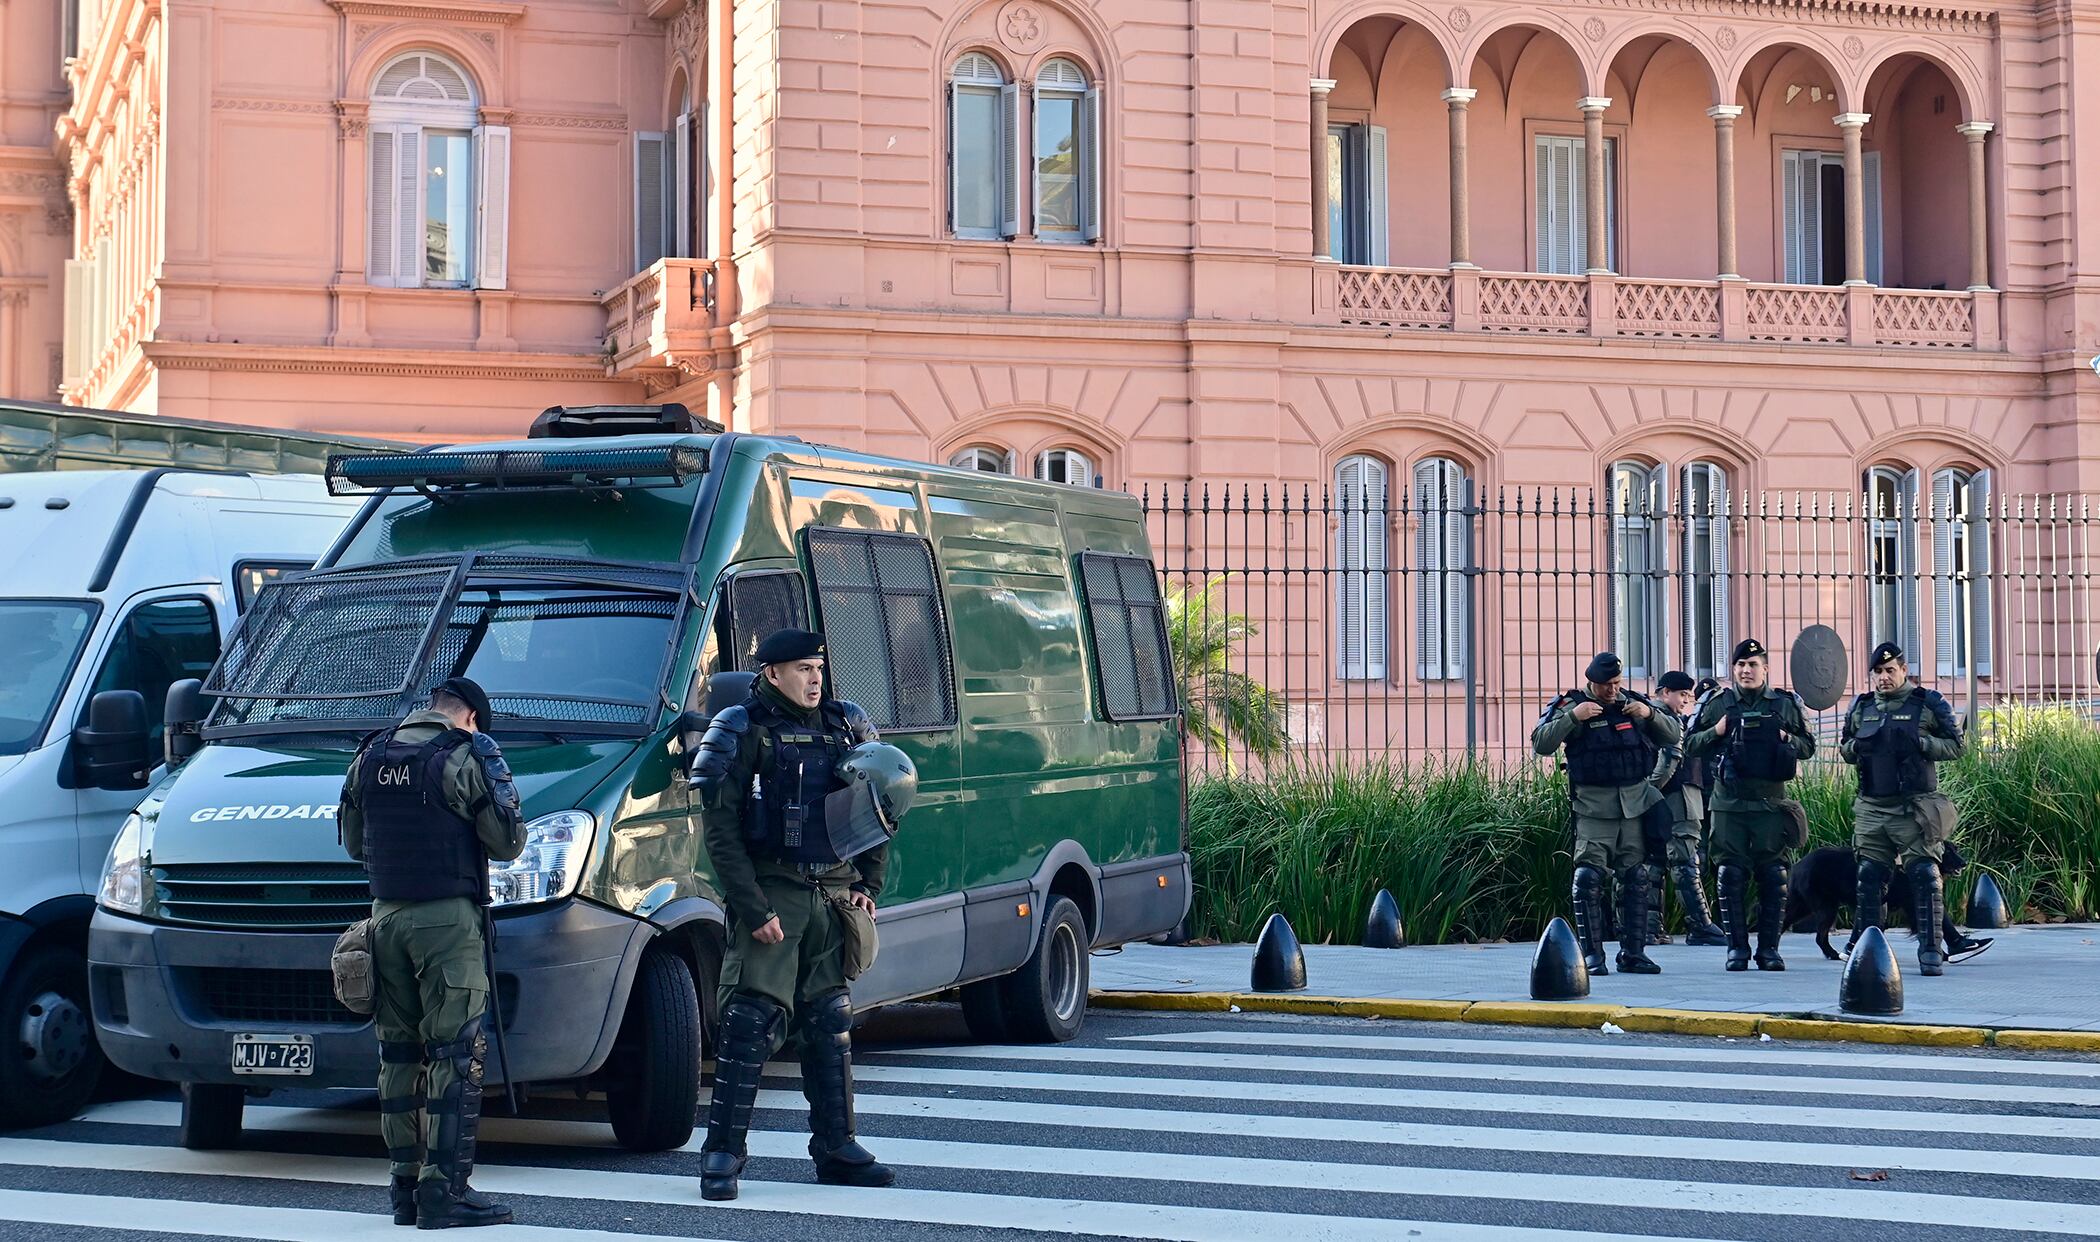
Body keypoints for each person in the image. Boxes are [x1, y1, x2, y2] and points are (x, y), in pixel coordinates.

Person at [687, 629, 896, 1201]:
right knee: (750, 1023)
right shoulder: (741, 726)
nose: (814, 679)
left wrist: (867, 885)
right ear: (772, 672)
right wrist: (753, 908)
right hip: (773, 894)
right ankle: (722, 1154)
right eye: (802, 669)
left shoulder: (844, 726)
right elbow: (722, 833)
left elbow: (881, 803)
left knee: (830, 1021)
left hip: (831, 894)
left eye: (818, 668)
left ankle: (836, 1147)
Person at [340, 677, 525, 1229]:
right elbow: (507, 840)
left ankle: (404, 1191)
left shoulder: (370, 753)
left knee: (398, 1054)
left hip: (385, 917)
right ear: (469, 716)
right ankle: (444, 1192)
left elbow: (353, 843)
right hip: (445, 920)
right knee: (455, 1054)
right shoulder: (464, 754)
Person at [1532, 652, 1681, 976]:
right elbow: (1541, 743)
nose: (1613, 690)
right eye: (1606, 686)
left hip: (1633, 808)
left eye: (1616, 683)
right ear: (1592, 683)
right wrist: (1574, 718)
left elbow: (1673, 735)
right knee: (1588, 878)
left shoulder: (1634, 704)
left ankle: (1633, 953)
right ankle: (1592, 956)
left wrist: (1650, 715)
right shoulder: (1571, 705)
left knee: (1636, 879)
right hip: (1594, 810)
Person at [1685, 639, 1816, 972]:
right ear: (1734, 669)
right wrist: (1716, 731)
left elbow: (1808, 746)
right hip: (1730, 805)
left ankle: (1769, 950)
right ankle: (1737, 949)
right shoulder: (1718, 704)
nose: (1746, 670)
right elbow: (1690, 744)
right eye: (1741, 665)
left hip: (1770, 805)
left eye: (1753, 664)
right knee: (1730, 875)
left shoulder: (1786, 704)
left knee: (1774, 875)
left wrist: (1787, 738)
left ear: (1765, 669)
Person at [1839, 642, 1965, 976]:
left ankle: (1931, 950)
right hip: (1872, 806)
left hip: (1913, 807)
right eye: (1878, 672)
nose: (1883, 677)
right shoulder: (1862, 706)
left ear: (1904, 670)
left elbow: (1957, 746)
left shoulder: (1927, 703)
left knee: (1924, 874)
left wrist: (1922, 744)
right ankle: (1867, 954)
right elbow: (1846, 748)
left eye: (1890, 670)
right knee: (1868, 877)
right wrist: (1858, 746)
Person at [1655, 670, 1727, 946]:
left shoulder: (1654, 716)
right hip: (1680, 797)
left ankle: (1651, 927)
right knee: (1686, 860)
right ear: (1664, 693)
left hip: (1671, 796)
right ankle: (1700, 925)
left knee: (1655, 862)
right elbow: (1669, 760)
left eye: (1688, 695)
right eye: (1682, 694)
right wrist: (1650, 790)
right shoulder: (1668, 720)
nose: (1687, 700)